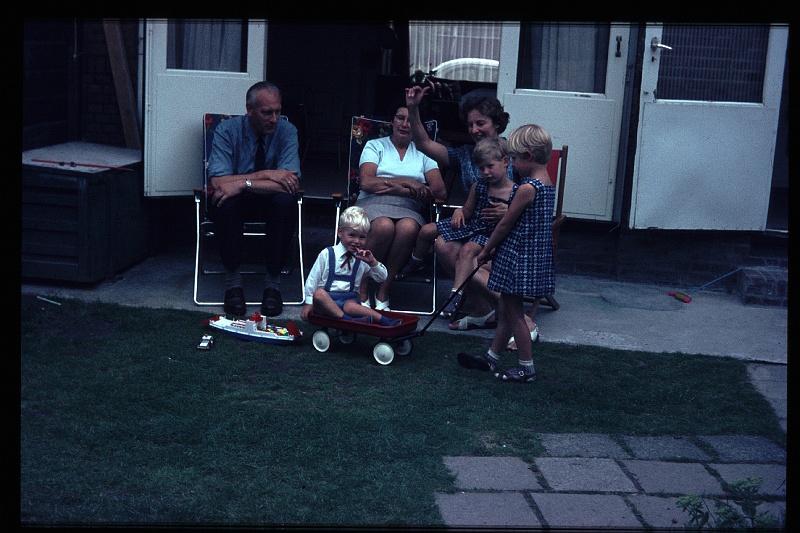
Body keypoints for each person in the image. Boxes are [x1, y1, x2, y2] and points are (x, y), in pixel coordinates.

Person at [405, 85, 538, 345]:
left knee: (470, 256)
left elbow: (538, 195)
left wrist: (510, 211)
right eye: (470, 125)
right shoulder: (467, 155)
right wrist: (413, 108)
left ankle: (517, 318)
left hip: (510, 234)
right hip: (477, 227)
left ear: (496, 123)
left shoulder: (514, 156)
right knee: (441, 242)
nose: (474, 130)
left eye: (481, 123)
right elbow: (422, 143)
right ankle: (480, 308)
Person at [457, 124, 555, 383]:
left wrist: (487, 249)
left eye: (514, 159)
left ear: (528, 157)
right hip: (531, 256)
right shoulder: (547, 184)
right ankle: (491, 358)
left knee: (513, 315)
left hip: (518, 257)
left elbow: (504, 224)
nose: (512, 164)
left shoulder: (526, 189)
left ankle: (526, 367)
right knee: (506, 307)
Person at [206, 81, 301, 318]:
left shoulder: (288, 131)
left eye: (278, 111)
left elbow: (289, 182)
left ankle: (273, 286)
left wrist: (241, 182)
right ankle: (233, 285)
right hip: (237, 202)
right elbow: (218, 182)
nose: (274, 118)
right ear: (250, 109)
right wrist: (267, 174)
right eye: (266, 112)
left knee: (285, 201)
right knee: (224, 201)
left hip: (269, 201)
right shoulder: (226, 131)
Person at [398, 137, 515, 319]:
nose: (485, 172)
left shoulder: (516, 192)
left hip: (492, 235)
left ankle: (455, 293)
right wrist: (459, 212)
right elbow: (468, 210)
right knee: (427, 230)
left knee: (467, 250)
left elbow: (518, 221)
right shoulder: (480, 186)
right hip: (473, 226)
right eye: (481, 168)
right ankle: (415, 262)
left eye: (490, 166)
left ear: (505, 161)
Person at [354, 103, 447, 310]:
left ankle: (384, 288)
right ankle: (361, 283)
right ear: (392, 121)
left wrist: (400, 189)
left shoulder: (424, 152)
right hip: (372, 202)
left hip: (408, 207)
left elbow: (439, 190)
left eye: (411, 120)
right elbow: (367, 182)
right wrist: (412, 184)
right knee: (384, 226)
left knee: (408, 228)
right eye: (399, 118)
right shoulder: (375, 145)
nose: (405, 124)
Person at [300, 206, 401, 326]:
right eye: (352, 235)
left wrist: (373, 262)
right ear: (340, 232)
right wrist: (309, 303)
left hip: (348, 300)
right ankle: (350, 321)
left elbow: (382, 278)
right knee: (319, 294)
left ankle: (384, 320)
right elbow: (313, 279)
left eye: (362, 237)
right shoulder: (327, 254)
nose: (357, 241)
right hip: (326, 302)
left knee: (351, 306)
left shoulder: (363, 258)